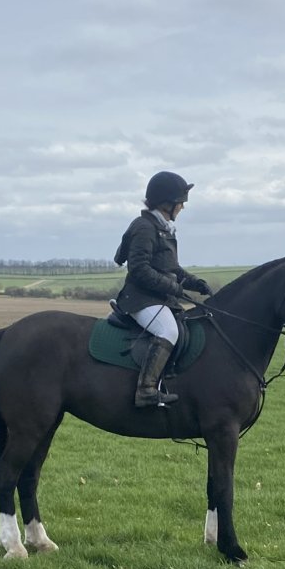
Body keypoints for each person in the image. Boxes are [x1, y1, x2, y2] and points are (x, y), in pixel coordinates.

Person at [114, 171, 213, 407]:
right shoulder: (144, 227)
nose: (182, 207)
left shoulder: (162, 228)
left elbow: (172, 268)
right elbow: (139, 269)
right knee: (168, 331)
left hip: (158, 299)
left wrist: (194, 282)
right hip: (140, 299)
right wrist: (173, 287)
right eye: (180, 202)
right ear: (166, 203)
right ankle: (146, 390)